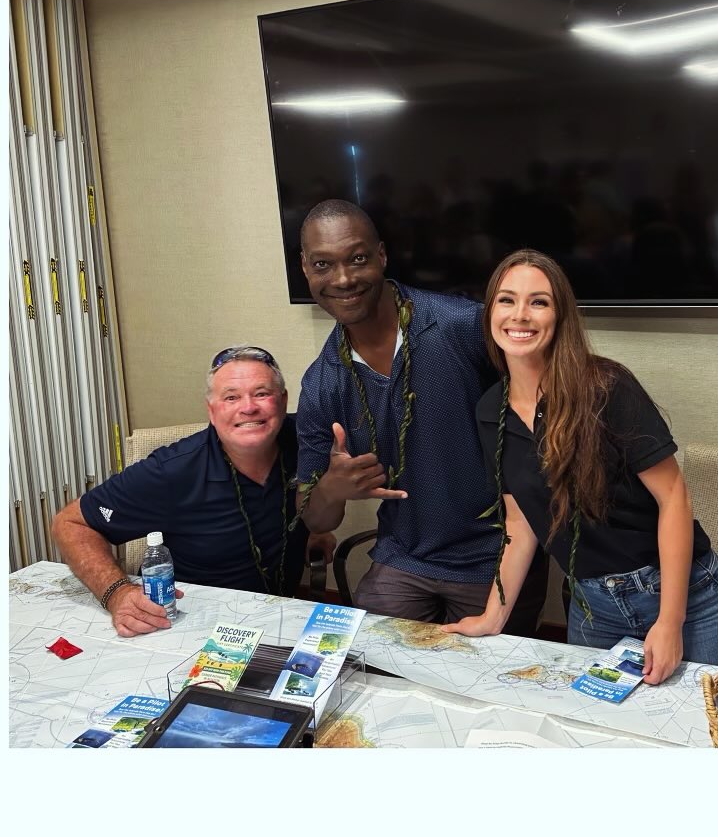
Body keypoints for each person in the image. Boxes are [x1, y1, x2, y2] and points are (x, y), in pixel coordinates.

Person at [442, 249, 718, 683]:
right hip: (592, 606)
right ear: (490, 312)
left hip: (686, 599)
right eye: (506, 300)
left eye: (538, 301)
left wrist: (670, 621)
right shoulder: (492, 411)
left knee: (695, 734)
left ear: (560, 315)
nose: (520, 315)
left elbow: (673, 496)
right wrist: (493, 615)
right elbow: (520, 522)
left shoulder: (606, 386)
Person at [295, 200, 547, 633]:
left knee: (487, 686)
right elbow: (316, 518)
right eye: (323, 264)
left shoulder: (460, 326)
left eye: (357, 258)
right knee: (367, 669)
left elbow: (545, 409)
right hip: (403, 558)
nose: (342, 278)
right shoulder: (323, 381)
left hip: (493, 553)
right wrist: (332, 490)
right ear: (306, 269)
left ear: (382, 256)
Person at [52, 346, 335, 637]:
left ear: (283, 400)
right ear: (212, 411)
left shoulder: (308, 440)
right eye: (231, 397)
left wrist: (315, 526)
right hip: (196, 625)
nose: (248, 407)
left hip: (282, 616)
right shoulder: (172, 471)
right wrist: (116, 592)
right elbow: (70, 523)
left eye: (262, 393)